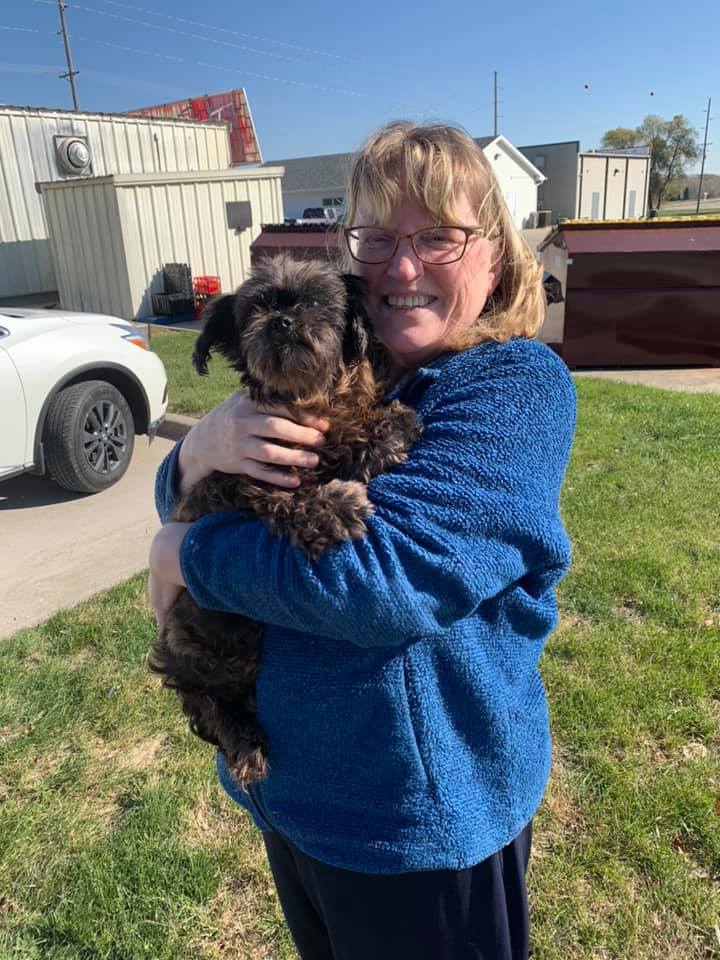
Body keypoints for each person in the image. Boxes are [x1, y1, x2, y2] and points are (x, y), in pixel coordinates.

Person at [148, 121, 577, 960]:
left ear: (495, 255)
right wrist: (192, 456)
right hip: (299, 800)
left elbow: (386, 584)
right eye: (378, 237)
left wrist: (185, 555)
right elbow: (215, 478)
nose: (403, 266)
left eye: (438, 238)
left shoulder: (513, 386)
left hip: (415, 827)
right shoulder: (353, 364)